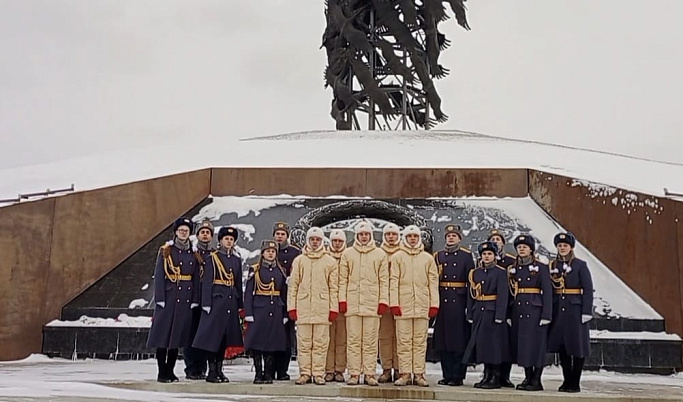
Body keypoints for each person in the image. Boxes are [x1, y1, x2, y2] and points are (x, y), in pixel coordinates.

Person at [147, 217, 201, 383]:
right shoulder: (167, 251)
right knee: (163, 335)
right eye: (181, 230)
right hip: (169, 297)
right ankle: (162, 371)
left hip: (185, 298)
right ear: (176, 232)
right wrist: (160, 298)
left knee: (177, 337)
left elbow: (195, 279)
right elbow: (160, 275)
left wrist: (195, 299)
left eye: (186, 230)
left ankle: (170, 370)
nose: (183, 233)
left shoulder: (194, 254)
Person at [339, 221, 389, 386]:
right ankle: (354, 373)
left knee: (370, 341)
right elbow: (342, 280)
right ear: (357, 236)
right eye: (361, 234)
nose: (364, 237)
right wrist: (342, 300)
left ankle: (369, 373)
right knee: (353, 340)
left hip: (372, 304)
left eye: (366, 234)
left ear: (371, 235)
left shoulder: (380, 254)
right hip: (353, 304)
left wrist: (383, 301)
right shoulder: (348, 254)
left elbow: (384, 280)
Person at [287, 227, 339, 385]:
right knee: (304, 343)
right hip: (303, 308)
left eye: (317, 239)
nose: (315, 242)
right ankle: (305, 373)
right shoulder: (299, 260)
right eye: (312, 239)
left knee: (320, 343)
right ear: (308, 241)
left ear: (322, 241)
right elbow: (293, 285)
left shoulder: (330, 261)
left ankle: (318, 373)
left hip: (322, 308)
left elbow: (334, 287)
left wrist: (333, 308)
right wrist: (292, 307)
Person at [389, 225, 439, 387]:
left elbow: (433, 283)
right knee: (403, 342)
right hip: (403, 307)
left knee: (420, 342)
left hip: (422, 306)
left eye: (415, 237)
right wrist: (394, 303)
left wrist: (434, 304)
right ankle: (405, 373)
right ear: (405, 238)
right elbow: (393, 282)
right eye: (409, 236)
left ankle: (419, 373)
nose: (412, 239)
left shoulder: (427, 258)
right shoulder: (397, 257)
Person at [192, 226, 244, 383]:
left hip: (230, 301)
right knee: (212, 337)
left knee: (224, 338)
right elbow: (207, 282)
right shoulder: (212, 258)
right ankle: (212, 370)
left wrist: (240, 304)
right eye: (226, 239)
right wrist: (206, 302)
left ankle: (220, 370)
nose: (229, 241)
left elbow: (237, 282)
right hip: (215, 301)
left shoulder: (236, 260)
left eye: (231, 239)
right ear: (220, 241)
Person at [548, 232, 594, 393]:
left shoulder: (580, 265)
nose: (562, 248)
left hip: (575, 309)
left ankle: (575, 381)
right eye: (560, 246)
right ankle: (566, 380)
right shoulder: (552, 265)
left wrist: (586, 311)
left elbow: (588, 289)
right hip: (558, 309)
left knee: (577, 346)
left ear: (571, 247)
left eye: (565, 246)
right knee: (563, 347)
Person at [508, 234, 552, 391]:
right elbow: (511, 292)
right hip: (519, 310)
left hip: (535, 310)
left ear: (531, 250)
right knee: (524, 346)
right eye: (519, 247)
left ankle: (536, 379)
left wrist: (547, 314)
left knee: (537, 346)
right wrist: (509, 314)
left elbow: (547, 292)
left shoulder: (541, 267)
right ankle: (528, 377)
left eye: (525, 247)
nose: (521, 249)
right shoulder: (513, 268)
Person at [432, 224, 475, 386]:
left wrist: (469, 306)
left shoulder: (466, 256)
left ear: (459, 238)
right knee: (443, 341)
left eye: (454, 236)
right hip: (443, 300)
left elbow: (471, 282)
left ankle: (458, 375)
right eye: (448, 236)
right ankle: (447, 374)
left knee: (458, 341)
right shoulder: (439, 256)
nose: (451, 238)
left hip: (459, 301)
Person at [464, 241, 509, 390]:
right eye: (484, 254)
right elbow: (471, 294)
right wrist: (470, 312)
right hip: (479, 311)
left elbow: (503, 295)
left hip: (492, 311)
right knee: (482, 345)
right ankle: (486, 375)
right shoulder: (475, 273)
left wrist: (500, 315)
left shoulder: (500, 272)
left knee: (493, 346)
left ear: (495, 256)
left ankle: (495, 376)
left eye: (489, 254)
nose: (486, 256)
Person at [243, 240, 289, 384]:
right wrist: (248, 312)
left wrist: (285, 314)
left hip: (275, 310)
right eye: (268, 251)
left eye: (273, 251)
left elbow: (284, 294)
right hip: (259, 310)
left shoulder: (280, 271)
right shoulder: (255, 270)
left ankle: (268, 373)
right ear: (262, 253)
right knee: (257, 343)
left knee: (271, 343)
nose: (270, 253)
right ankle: (258, 373)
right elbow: (249, 293)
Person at [184, 219, 214, 380]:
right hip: (192, 299)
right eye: (202, 232)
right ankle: (191, 367)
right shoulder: (191, 253)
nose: (205, 235)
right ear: (197, 235)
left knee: (205, 334)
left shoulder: (215, 254)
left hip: (208, 300)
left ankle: (202, 367)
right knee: (192, 333)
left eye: (208, 233)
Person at [485, 229, 516, 388]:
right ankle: (488, 374)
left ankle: (505, 375)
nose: (496, 241)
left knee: (505, 343)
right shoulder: (483, 260)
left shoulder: (511, 261)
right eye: (493, 239)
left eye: (498, 239)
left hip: (508, 305)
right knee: (490, 342)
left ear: (503, 243)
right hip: (489, 306)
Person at [273, 222, 301, 381]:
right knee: (272, 335)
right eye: (277, 234)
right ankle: (271, 368)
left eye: (282, 234)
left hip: (287, 298)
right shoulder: (267, 251)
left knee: (286, 336)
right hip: (271, 298)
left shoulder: (294, 253)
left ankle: (282, 370)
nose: (279, 236)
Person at [378, 223, 402, 383]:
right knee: (385, 336)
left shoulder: (403, 253)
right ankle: (386, 368)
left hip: (401, 300)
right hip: (382, 300)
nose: (391, 237)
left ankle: (400, 368)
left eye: (394, 234)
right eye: (388, 234)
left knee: (400, 336)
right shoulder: (378, 253)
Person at [324, 229, 348, 383]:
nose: (337, 244)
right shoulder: (325, 257)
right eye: (334, 241)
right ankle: (328, 370)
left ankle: (339, 369)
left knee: (342, 339)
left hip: (345, 305)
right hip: (327, 304)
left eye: (340, 241)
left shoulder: (349, 257)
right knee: (328, 339)